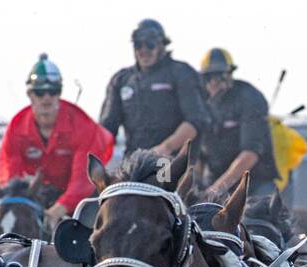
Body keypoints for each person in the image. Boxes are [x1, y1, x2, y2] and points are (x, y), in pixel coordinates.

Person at [0, 54, 115, 226]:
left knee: (90, 230)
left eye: (53, 91)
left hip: (81, 196)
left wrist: (58, 210)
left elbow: (83, 181)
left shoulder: (82, 125)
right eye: (39, 92)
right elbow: (10, 175)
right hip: (38, 193)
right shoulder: (16, 127)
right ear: (30, 94)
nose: (46, 98)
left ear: (59, 93)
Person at [99, 18, 210, 158]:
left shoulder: (182, 73)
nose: (144, 50)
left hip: (173, 163)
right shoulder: (121, 80)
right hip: (134, 164)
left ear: (162, 45)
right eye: (139, 45)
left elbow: (196, 121)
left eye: (150, 45)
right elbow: (107, 128)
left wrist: (165, 148)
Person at [194, 48, 279, 197]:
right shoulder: (200, 103)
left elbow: (250, 154)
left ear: (229, 74)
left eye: (219, 76)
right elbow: (199, 156)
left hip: (255, 184)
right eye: (208, 77)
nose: (213, 82)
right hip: (214, 181)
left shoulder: (250, 98)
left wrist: (215, 191)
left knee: (259, 218)